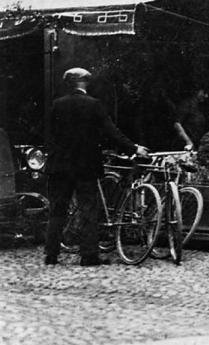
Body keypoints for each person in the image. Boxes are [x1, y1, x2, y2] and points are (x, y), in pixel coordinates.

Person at [43, 68, 149, 266]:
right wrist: (134, 147)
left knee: (57, 210)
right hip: (85, 166)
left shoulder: (57, 105)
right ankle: (89, 256)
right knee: (88, 210)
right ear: (84, 83)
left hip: (59, 166)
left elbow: (49, 135)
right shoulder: (94, 105)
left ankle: (51, 254)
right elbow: (112, 132)